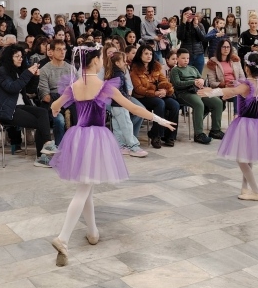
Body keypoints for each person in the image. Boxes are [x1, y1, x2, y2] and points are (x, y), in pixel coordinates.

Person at [49, 42, 175, 266]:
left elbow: (55, 105)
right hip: (96, 138)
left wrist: (56, 109)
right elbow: (133, 107)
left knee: (87, 186)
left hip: (78, 137)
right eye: (100, 58)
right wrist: (159, 119)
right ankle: (63, 238)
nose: (102, 61)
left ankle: (93, 232)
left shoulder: (74, 85)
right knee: (83, 189)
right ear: (95, 61)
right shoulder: (103, 85)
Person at [198, 52, 258, 201]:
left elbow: (233, 91)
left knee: (241, 159)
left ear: (247, 69)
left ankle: (256, 191)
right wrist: (232, 88)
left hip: (246, 124)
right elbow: (236, 90)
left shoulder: (246, 85)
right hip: (257, 123)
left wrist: (211, 92)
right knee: (247, 157)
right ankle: (245, 188)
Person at [0, 45, 53, 165]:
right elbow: (12, 88)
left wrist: (35, 77)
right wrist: (27, 73)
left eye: (21, 56)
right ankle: (42, 156)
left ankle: (47, 145)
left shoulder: (17, 70)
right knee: (41, 122)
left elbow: (30, 90)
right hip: (7, 109)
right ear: (9, 57)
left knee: (43, 113)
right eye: (17, 56)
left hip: (20, 105)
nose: (20, 59)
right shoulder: (1, 71)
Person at [170, 48, 224, 144]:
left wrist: (201, 81)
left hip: (197, 90)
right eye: (183, 58)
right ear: (177, 58)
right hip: (184, 93)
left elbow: (200, 78)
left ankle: (215, 130)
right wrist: (193, 82)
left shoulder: (193, 68)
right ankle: (198, 134)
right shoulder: (175, 70)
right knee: (199, 104)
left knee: (218, 102)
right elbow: (177, 84)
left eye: (187, 58)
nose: (186, 60)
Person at [130, 45, 179, 148]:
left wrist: (165, 90)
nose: (149, 56)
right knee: (159, 103)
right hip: (142, 96)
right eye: (146, 53)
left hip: (158, 94)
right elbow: (138, 88)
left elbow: (164, 81)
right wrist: (154, 93)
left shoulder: (156, 66)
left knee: (174, 104)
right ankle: (156, 135)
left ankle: (169, 136)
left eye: (151, 54)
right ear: (140, 55)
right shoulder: (134, 69)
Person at [105, 52, 148, 157]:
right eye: (124, 61)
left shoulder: (112, 73)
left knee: (117, 127)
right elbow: (120, 91)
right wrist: (126, 99)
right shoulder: (119, 74)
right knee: (127, 126)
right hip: (120, 105)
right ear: (117, 63)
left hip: (114, 105)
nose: (126, 63)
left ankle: (120, 146)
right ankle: (133, 147)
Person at [39, 39, 72, 149]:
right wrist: (65, 96)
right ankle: (59, 150)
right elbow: (46, 97)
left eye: (64, 49)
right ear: (51, 52)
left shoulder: (70, 68)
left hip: (70, 104)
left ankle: (74, 149)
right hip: (51, 106)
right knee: (60, 120)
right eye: (58, 49)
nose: (62, 52)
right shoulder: (45, 70)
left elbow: (77, 90)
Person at [206, 38, 245, 114]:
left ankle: (237, 116)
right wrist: (224, 84)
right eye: (224, 47)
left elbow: (242, 77)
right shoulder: (213, 62)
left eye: (228, 47)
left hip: (235, 87)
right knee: (236, 94)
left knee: (241, 93)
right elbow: (212, 82)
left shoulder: (235, 60)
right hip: (221, 88)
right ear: (219, 48)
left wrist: (237, 83)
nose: (226, 49)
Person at [178, 7, 206, 73]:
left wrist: (196, 26)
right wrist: (183, 23)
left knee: (198, 75)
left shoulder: (200, 25)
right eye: (186, 14)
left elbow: (203, 38)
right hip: (186, 55)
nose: (188, 16)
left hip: (199, 54)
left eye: (190, 14)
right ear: (182, 15)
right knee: (187, 75)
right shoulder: (180, 26)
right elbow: (180, 37)